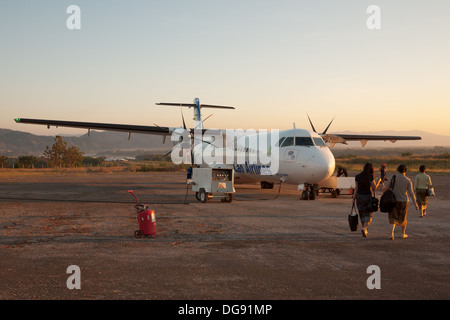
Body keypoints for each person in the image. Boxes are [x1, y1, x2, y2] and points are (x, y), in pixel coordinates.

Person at [386, 164, 418, 240]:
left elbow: (387, 188)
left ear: (398, 170)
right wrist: (415, 204)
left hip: (393, 200)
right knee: (403, 218)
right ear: (405, 171)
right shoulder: (408, 180)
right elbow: (411, 193)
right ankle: (402, 233)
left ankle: (391, 234)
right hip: (403, 201)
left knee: (392, 217)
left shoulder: (393, 177)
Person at [353, 163, 377, 238]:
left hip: (359, 197)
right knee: (369, 214)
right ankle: (364, 228)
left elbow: (356, 188)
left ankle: (365, 230)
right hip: (367, 197)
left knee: (361, 213)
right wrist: (378, 181)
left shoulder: (358, 176)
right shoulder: (370, 176)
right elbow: (374, 187)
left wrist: (354, 198)